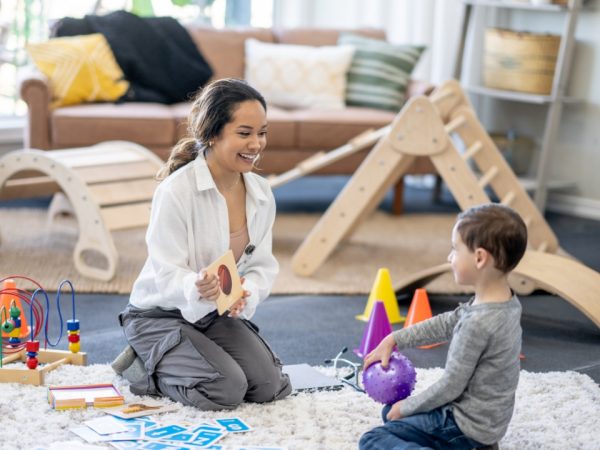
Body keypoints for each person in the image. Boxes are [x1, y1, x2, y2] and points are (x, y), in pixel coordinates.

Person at [112, 78, 291, 411]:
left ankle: (196, 353)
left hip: (213, 313)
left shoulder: (262, 194)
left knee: (268, 385)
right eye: (244, 133)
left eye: (262, 132)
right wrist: (196, 284)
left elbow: (262, 265)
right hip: (159, 314)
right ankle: (141, 369)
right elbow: (166, 272)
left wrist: (245, 291)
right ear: (212, 134)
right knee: (225, 390)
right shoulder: (176, 192)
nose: (256, 144)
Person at [359, 203, 528, 450]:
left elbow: (450, 387)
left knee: (373, 439)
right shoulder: (507, 302)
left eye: (455, 249)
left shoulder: (477, 324)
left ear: (480, 258)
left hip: (462, 424)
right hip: (487, 426)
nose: (450, 257)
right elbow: (449, 321)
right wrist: (395, 338)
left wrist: (406, 407)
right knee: (390, 413)